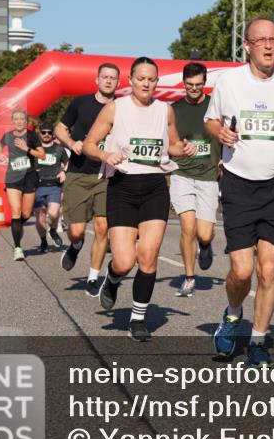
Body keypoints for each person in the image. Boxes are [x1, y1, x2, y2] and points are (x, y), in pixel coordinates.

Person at [205, 17, 274, 369]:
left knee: (269, 270)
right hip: (237, 182)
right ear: (247, 46)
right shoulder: (229, 82)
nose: (268, 45)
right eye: (261, 40)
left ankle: (258, 341)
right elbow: (210, 120)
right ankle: (233, 314)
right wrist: (219, 132)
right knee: (242, 270)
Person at [85, 57, 194, 342]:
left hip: (155, 187)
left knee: (148, 256)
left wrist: (184, 148)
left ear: (157, 82)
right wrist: (105, 154)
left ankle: (137, 318)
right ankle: (112, 278)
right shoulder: (115, 108)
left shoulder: (165, 110)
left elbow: (172, 145)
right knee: (124, 261)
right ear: (131, 80)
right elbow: (88, 144)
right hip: (122, 186)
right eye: (141, 78)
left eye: (152, 79)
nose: (147, 83)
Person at [55, 63, 119, 294]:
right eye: (105, 77)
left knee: (103, 227)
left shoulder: (121, 107)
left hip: (106, 175)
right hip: (79, 173)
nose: (108, 81)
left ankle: (93, 277)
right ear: (97, 80)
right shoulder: (80, 103)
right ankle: (75, 245)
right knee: (77, 230)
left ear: (118, 82)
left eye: (113, 78)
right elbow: (59, 129)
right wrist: (72, 143)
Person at [170, 62, 223, 297]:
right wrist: (179, 147)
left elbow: (228, 134)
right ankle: (189, 278)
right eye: (190, 85)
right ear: (183, 83)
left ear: (204, 84)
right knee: (187, 228)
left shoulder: (216, 107)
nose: (194, 89)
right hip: (182, 174)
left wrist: (224, 159)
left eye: (199, 85)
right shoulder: (173, 109)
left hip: (209, 175)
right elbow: (167, 143)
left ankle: (205, 245)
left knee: (203, 233)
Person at [0, 109, 45, 261]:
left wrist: (27, 149)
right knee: (16, 211)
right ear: (12, 121)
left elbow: (42, 154)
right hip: (13, 177)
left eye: (21, 119)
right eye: (16, 119)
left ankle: (17, 225)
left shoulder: (32, 136)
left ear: (26, 121)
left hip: (29, 177)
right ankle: (17, 248)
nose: (18, 121)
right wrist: (0, 153)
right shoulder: (8, 136)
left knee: (25, 214)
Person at [33, 123, 69, 252]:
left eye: (49, 132)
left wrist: (64, 171)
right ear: (40, 133)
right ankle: (43, 242)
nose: (46, 134)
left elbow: (67, 162)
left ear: (53, 134)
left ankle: (53, 231)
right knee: (40, 217)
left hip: (54, 186)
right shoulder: (34, 149)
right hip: (38, 186)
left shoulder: (59, 149)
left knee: (53, 214)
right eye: (44, 132)